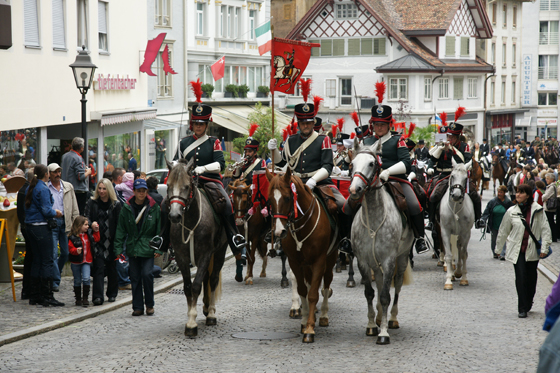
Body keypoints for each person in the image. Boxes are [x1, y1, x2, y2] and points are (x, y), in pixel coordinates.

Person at [150, 84, 246, 256]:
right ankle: (163, 239)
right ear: (192, 123)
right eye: (195, 123)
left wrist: (201, 169)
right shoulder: (183, 143)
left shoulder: (213, 142)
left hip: (209, 181)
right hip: (186, 183)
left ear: (207, 124)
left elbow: (220, 164)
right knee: (165, 203)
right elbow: (174, 162)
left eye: (201, 124)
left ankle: (234, 238)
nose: (198, 126)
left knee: (227, 204)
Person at [267, 83, 352, 254]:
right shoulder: (291, 141)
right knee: (275, 204)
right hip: (294, 182)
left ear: (313, 122)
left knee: (342, 205)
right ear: (298, 123)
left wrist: (313, 180)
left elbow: (328, 166)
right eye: (302, 122)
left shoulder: (323, 140)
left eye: (308, 122)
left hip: (319, 182)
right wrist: (274, 150)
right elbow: (283, 164)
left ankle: (345, 239)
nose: (306, 125)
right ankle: (276, 237)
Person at [361, 88, 428, 255]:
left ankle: (420, 238)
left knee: (413, 204)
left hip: (396, 180)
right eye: (376, 124)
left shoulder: (398, 140)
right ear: (372, 124)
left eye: (382, 124)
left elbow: (406, 163)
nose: (379, 127)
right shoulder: (366, 141)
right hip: (371, 181)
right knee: (351, 204)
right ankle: (347, 238)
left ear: (389, 124)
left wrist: (387, 171)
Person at [496, 184, 552, 318]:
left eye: (521, 193)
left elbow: (545, 230)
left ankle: (528, 301)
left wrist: (544, 247)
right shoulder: (511, 211)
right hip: (518, 251)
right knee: (520, 277)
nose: (517, 195)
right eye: (517, 192)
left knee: (531, 279)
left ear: (527, 195)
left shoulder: (538, 210)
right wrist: (498, 249)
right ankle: (522, 307)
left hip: (532, 250)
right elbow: (503, 231)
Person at [426, 109, 484, 230]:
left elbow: (466, 160)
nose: (449, 138)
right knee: (433, 196)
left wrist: (453, 150)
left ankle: (479, 219)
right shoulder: (442, 145)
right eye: (448, 136)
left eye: (452, 136)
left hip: (460, 174)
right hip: (444, 174)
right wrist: (432, 165)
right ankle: (431, 221)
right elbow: (431, 158)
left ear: (458, 137)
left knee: (475, 195)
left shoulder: (464, 146)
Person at [114, 178, 162, 316]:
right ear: (134, 191)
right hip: (133, 247)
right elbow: (121, 230)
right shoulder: (127, 208)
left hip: (148, 247)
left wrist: (159, 248)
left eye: (143, 191)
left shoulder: (154, 208)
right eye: (139, 191)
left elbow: (159, 229)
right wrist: (118, 250)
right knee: (134, 277)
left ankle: (149, 304)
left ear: (147, 191)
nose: (141, 193)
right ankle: (137, 307)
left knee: (147, 275)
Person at [24, 164, 64, 307]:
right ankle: (47, 295)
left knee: (37, 260)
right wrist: (57, 213)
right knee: (47, 261)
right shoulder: (43, 189)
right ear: (46, 174)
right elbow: (47, 211)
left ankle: (35, 295)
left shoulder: (32, 187)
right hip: (41, 227)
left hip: (30, 227)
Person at [85, 178, 122, 305]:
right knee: (98, 268)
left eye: (104, 189)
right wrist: (91, 224)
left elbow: (119, 224)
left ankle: (112, 294)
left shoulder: (116, 205)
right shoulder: (92, 202)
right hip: (97, 241)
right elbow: (86, 217)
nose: (101, 191)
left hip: (111, 241)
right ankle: (97, 296)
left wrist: (118, 242)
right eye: (99, 188)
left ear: (109, 190)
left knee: (112, 268)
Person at [47, 163, 80, 292]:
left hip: (66, 223)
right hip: (53, 223)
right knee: (54, 253)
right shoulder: (46, 187)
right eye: (55, 172)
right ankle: (55, 281)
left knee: (66, 253)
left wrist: (76, 222)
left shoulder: (68, 187)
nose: (57, 174)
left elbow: (74, 206)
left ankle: (57, 272)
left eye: (59, 171)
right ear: (49, 174)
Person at [68, 216, 100, 307]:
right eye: (85, 225)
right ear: (79, 226)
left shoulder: (88, 235)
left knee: (86, 278)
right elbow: (70, 248)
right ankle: (78, 299)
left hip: (86, 261)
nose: (87, 227)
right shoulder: (72, 237)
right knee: (77, 280)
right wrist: (76, 251)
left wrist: (96, 231)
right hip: (76, 262)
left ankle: (85, 298)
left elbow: (96, 239)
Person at [61, 137, 92, 215]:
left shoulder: (64, 156)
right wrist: (88, 172)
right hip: (78, 190)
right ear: (81, 148)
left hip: (65, 188)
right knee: (78, 214)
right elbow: (80, 177)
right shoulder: (78, 158)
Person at [481, 185, 513, 259]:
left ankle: (502, 254)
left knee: (503, 238)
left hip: (504, 224)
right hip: (494, 224)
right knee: (494, 239)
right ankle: (495, 252)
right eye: (498, 192)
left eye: (501, 192)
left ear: (504, 193)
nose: (499, 194)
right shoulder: (492, 202)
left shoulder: (508, 202)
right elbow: (486, 212)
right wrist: (483, 219)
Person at [17, 168, 33, 299]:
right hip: (29, 227)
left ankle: (26, 290)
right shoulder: (29, 190)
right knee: (32, 259)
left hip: (25, 226)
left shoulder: (22, 189)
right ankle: (28, 289)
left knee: (29, 258)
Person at [543, 173, 558, 242]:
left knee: (550, 222)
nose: (546, 180)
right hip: (549, 207)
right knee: (550, 221)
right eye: (546, 178)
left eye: (547, 178)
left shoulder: (551, 187)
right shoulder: (551, 186)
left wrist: (544, 197)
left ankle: (553, 236)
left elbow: (545, 197)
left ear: (552, 179)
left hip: (549, 207)